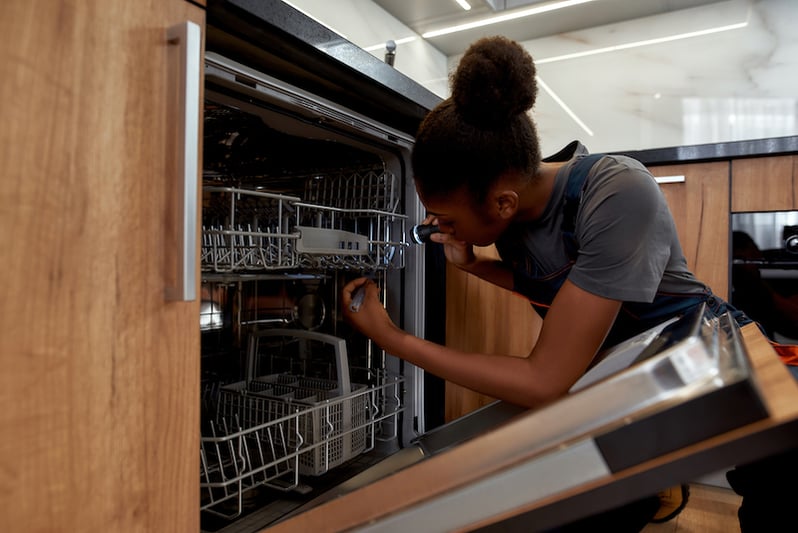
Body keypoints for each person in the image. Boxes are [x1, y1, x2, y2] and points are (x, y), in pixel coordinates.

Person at [341, 36, 744, 530]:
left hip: (711, 364)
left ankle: (655, 477)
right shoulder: (516, 214)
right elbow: (563, 290)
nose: (437, 226)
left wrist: (392, 339)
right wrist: (474, 266)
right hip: (625, 374)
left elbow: (546, 381)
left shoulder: (617, 191)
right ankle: (651, 481)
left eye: (444, 217)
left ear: (503, 203)